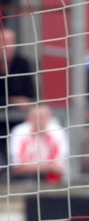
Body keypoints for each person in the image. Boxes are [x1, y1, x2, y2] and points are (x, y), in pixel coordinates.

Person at [0, 28, 37, 165]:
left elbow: (32, 94)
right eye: (3, 42)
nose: (7, 47)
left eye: (10, 42)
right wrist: (11, 101)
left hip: (19, 118)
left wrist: (25, 103)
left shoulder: (23, 64)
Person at [8, 105, 68, 183]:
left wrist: (38, 167)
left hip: (49, 176)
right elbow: (18, 168)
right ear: (27, 118)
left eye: (43, 117)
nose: (39, 120)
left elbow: (59, 167)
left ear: (50, 118)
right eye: (35, 117)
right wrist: (47, 167)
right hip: (25, 177)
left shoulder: (57, 132)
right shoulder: (19, 132)